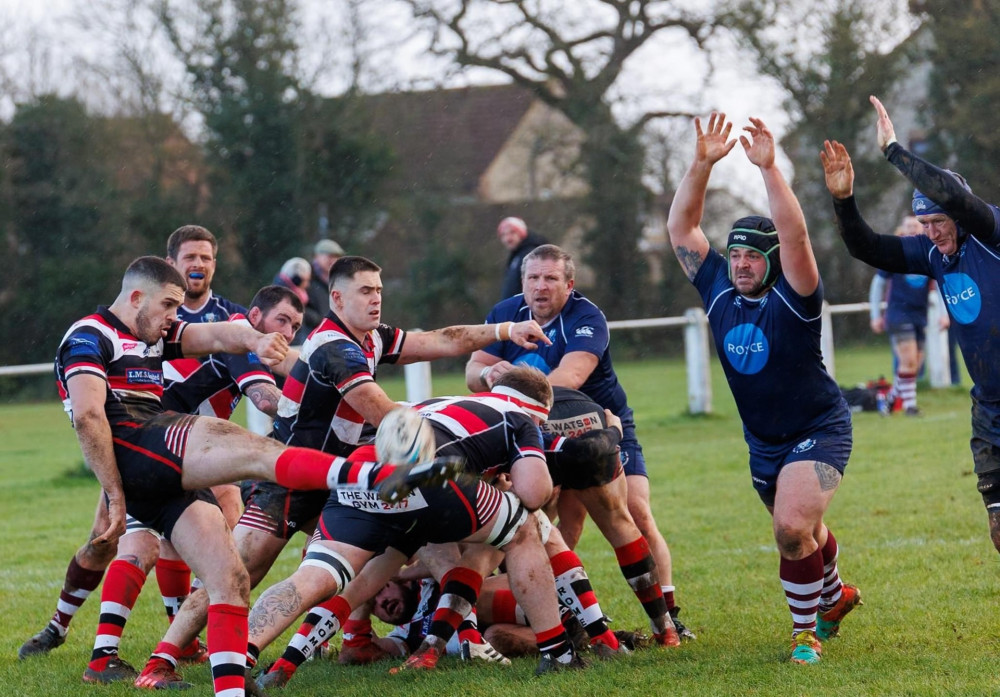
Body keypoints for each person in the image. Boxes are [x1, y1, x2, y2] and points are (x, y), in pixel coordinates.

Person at [130, 256, 552, 685]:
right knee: (237, 572)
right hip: (290, 480)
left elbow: (438, 339)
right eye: (366, 292)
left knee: (403, 545)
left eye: (380, 292)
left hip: (335, 479)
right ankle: (162, 659)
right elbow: (383, 413)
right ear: (337, 298)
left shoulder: (370, 338)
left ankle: (395, 638)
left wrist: (503, 332)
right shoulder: (336, 347)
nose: (376, 301)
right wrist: (433, 443)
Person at [51, 255, 454, 697]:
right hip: (136, 443)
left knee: (231, 579)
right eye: (168, 306)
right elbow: (89, 417)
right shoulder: (91, 334)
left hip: (160, 471)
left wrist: (256, 341)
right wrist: (114, 494)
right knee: (257, 450)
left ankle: (224, 688)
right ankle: (367, 477)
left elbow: (220, 333)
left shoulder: (153, 334)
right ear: (135, 297)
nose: (173, 318)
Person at [16, 227, 298, 665]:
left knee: (196, 537)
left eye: (207, 257)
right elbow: (91, 413)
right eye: (191, 256)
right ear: (171, 262)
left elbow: (250, 373)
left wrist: (265, 352)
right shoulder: (129, 322)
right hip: (138, 445)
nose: (199, 264)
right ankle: (65, 627)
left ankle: (162, 645)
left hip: (196, 447)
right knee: (113, 541)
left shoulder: (227, 319)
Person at [240, 372, 586, 685]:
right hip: (432, 474)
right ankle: (557, 651)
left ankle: (246, 658)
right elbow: (534, 492)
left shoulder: (435, 403)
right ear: (538, 410)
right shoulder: (521, 419)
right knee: (521, 529)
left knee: (314, 577)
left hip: (361, 473)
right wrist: (509, 482)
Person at [666, 113, 860, 665]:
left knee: (792, 526)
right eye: (736, 254)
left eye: (754, 254)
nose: (742, 263)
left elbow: (796, 234)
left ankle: (806, 634)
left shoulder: (796, 296)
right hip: (764, 440)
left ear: (772, 260)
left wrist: (770, 169)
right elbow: (682, 230)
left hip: (819, 428)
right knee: (807, 532)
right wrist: (701, 165)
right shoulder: (720, 291)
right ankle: (836, 594)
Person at [465, 244, 687, 645]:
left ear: (569, 284)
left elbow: (571, 376)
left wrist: (509, 380)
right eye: (533, 278)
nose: (541, 287)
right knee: (543, 517)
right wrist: (487, 376)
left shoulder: (586, 317)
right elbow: (472, 370)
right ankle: (562, 613)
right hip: (531, 430)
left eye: (551, 278)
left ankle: (669, 614)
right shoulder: (505, 314)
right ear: (523, 283)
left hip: (597, 425)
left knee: (634, 511)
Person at [821, 95, 1000, 559]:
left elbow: (957, 195)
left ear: (959, 216)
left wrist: (894, 152)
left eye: (938, 222)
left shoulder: (990, 232)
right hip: (991, 409)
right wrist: (844, 201)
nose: (932, 232)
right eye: (924, 224)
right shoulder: (931, 253)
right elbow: (867, 247)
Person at [868, 215, 947, 415]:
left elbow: (939, 285)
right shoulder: (894, 254)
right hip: (898, 313)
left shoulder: (928, 254)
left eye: (916, 225)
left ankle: (890, 399)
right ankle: (910, 406)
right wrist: (875, 315)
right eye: (908, 226)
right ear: (902, 231)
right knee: (908, 360)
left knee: (914, 365)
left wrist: (944, 313)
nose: (913, 229)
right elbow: (878, 285)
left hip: (920, 314)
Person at [302, 238, 345, 341]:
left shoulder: (339, 280)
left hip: (331, 336)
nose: (333, 260)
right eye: (329, 256)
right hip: (308, 337)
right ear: (317, 256)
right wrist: (319, 320)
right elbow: (295, 305)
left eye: (336, 257)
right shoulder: (304, 277)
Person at [497, 216, 547, 300]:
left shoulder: (530, 255)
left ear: (521, 233)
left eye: (512, 232)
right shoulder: (517, 255)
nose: (507, 238)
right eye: (503, 235)